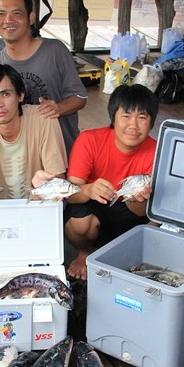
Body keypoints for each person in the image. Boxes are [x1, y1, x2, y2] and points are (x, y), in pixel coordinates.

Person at [64, 84, 158, 280]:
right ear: (113, 117)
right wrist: (89, 189)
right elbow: (71, 195)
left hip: (128, 212)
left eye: (142, 117)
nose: (133, 125)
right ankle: (86, 252)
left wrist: (138, 199)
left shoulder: (157, 152)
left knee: (150, 226)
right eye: (126, 116)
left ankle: (120, 255)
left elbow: (143, 213)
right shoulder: (89, 140)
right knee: (80, 224)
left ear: (151, 122)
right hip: (93, 205)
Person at [0, 0, 88, 155]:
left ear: (31, 17)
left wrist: (58, 108)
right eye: (1, 14)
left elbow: (80, 98)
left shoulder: (55, 51)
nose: (8, 20)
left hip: (62, 153)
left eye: (17, 13)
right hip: (17, 157)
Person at [0, 64, 68, 199]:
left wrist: (45, 186)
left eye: (6, 94)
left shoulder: (44, 119)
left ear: (20, 95)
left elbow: (58, 180)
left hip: (39, 207)